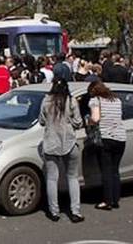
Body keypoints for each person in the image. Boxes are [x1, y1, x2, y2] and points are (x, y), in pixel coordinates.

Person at [39, 78, 83, 223]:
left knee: (52, 178)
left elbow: (41, 121)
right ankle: (75, 211)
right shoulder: (71, 100)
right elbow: (78, 122)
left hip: (50, 143)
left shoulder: (46, 100)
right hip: (69, 142)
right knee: (72, 177)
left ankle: (54, 212)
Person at [88, 81, 126, 210]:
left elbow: (96, 118)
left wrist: (88, 121)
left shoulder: (95, 100)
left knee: (106, 171)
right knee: (115, 170)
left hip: (106, 138)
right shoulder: (116, 100)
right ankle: (116, 200)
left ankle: (107, 201)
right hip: (121, 138)